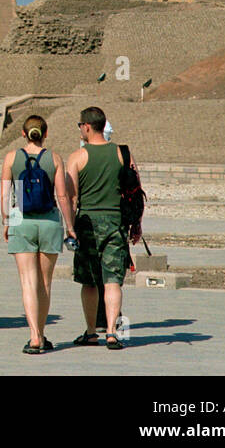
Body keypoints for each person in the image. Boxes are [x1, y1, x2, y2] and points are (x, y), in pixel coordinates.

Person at [1, 115, 75, 353]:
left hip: (21, 221)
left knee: (28, 282)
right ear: (45, 133)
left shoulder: (11, 158)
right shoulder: (54, 158)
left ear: (23, 133)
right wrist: (70, 226)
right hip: (50, 221)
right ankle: (41, 334)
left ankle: (34, 336)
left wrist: (6, 222)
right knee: (45, 283)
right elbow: (62, 196)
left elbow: (4, 194)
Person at [65, 106, 136, 350]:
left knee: (89, 282)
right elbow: (135, 191)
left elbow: (71, 197)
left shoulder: (77, 157)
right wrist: (137, 225)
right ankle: (113, 332)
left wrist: (70, 227)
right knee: (113, 281)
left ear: (86, 126)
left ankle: (91, 331)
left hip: (87, 224)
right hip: (115, 223)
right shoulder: (121, 153)